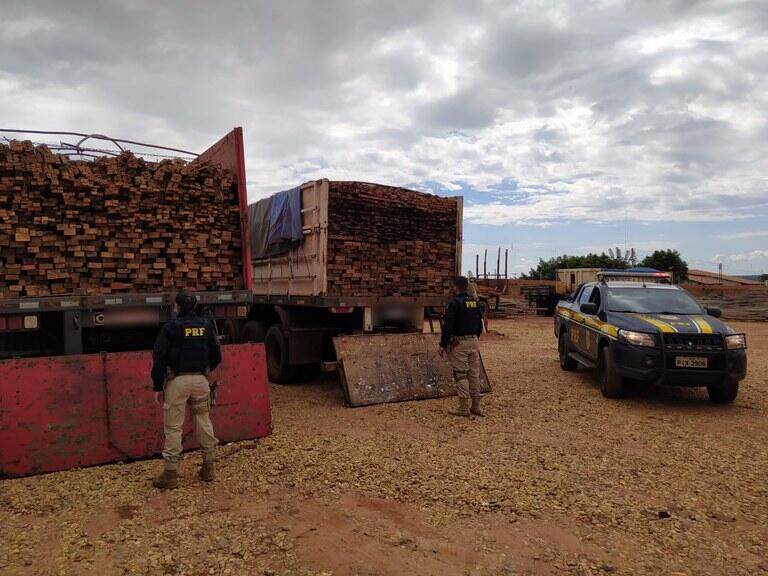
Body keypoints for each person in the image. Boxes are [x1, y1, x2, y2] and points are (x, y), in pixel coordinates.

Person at [150, 290, 222, 489]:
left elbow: (159, 357)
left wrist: (157, 385)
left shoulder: (171, 328)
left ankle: (170, 474)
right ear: (195, 307)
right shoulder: (206, 326)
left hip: (177, 382)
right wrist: (207, 369)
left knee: (173, 427)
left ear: (178, 307)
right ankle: (209, 467)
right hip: (200, 381)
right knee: (203, 421)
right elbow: (217, 354)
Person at [439, 276, 484, 417]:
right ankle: (476, 406)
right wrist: (474, 337)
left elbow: (448, 326)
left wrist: (443, 344)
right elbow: (479, 325)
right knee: (474, 374)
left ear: (455, 287)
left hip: (459, 343)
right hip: (474, 341)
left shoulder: (454, 304)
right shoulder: (475, 302)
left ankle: (463, 407)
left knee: (461, 374)